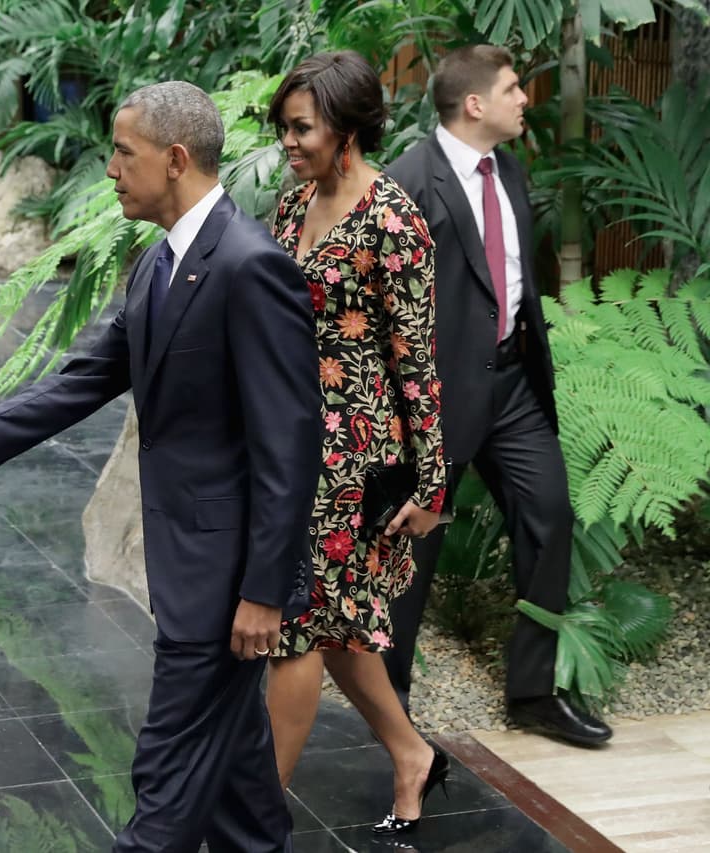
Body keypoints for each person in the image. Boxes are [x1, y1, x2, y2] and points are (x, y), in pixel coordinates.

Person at [0, 81, 322, 852]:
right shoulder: (158, 261)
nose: (108, 170)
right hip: (189, 566)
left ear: (173, 160)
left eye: (122, 153)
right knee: (241, 797)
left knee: (164, 786)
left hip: (223, 580)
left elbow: (290, 442)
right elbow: (84, 378)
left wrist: (265, 591)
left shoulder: (249, 266)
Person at [384, 45, 612, 746]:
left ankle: (534, 694)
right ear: (474, 103)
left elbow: (511, 278)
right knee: (410, 556)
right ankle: (391, 711)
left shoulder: (509, 169)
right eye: (513, 89)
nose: (525, 99)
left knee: (550, 515)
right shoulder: (407, 182)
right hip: (440, 398)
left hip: (514, 383)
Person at [264, 51, 451, 835]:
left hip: (349, 453)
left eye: (300, 128)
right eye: (283, 127)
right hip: (286, 436)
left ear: (346, 126)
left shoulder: (394, 220)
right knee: (338, 624)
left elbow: (417, 358)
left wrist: (432, 485)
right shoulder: (291, 200)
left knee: (298, 624)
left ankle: (253, 810)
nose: (287, 142)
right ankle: (412, 754)